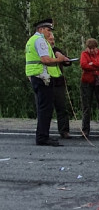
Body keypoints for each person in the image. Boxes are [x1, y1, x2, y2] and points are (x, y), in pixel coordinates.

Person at [25, 18, 70, 146]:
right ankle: (42, 137)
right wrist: (60, 59)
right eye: (48, 30)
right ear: (41, 29)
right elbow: (45, 59)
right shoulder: (40, 40)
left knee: (42, 108)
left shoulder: (31, 40)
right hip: (42, 76)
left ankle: (42, 135)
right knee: (46, 108)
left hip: (35, 75)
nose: (50, 33)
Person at [79, 38, 99, 138]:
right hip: (87, 82)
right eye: (90, 48)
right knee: (86, 106)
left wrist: (93, 63)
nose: (91, 50)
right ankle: (85, 130)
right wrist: (98, 65)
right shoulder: (84, 54)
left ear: (96, 47)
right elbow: (84, 65)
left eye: (93, 48)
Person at [49, 35, 72, 139]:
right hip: (46, 82)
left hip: (58, 83)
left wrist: (66, 60)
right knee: (46, 109)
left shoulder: (57, 50)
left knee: (62, 107)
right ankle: (44, 131)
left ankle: (64, 130)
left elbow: (66, 60)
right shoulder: (43, 51)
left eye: (53, 39)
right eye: (50, 40)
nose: (52, 41)